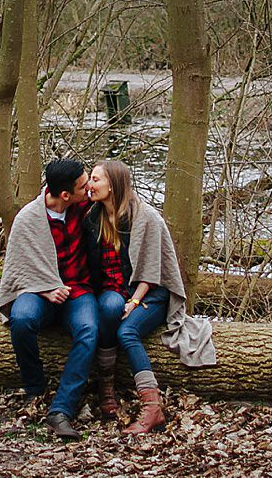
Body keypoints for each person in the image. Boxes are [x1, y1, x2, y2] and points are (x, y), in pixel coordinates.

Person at [84, 158, 217, 434]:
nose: (90, 185)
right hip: (114, 291)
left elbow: (152, 271)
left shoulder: (146, 218)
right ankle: (106, 390)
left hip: (151, 293)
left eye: (96, 180)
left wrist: (134, 302)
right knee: (108, 313)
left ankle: (152, 406)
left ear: (114, 184)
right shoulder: (92, 217)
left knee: (127, 333)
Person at [0, 159, 98, 440]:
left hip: (78, 290)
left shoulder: (85, 207)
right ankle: (34, 388)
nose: (88, 187)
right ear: (66, 195)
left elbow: (118, 202)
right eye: (83, 185)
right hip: (39, 292)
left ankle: (61, 409)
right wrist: (44, 288)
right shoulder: (29, 218)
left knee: (89, 330)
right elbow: (17, 268)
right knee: (22, 319)